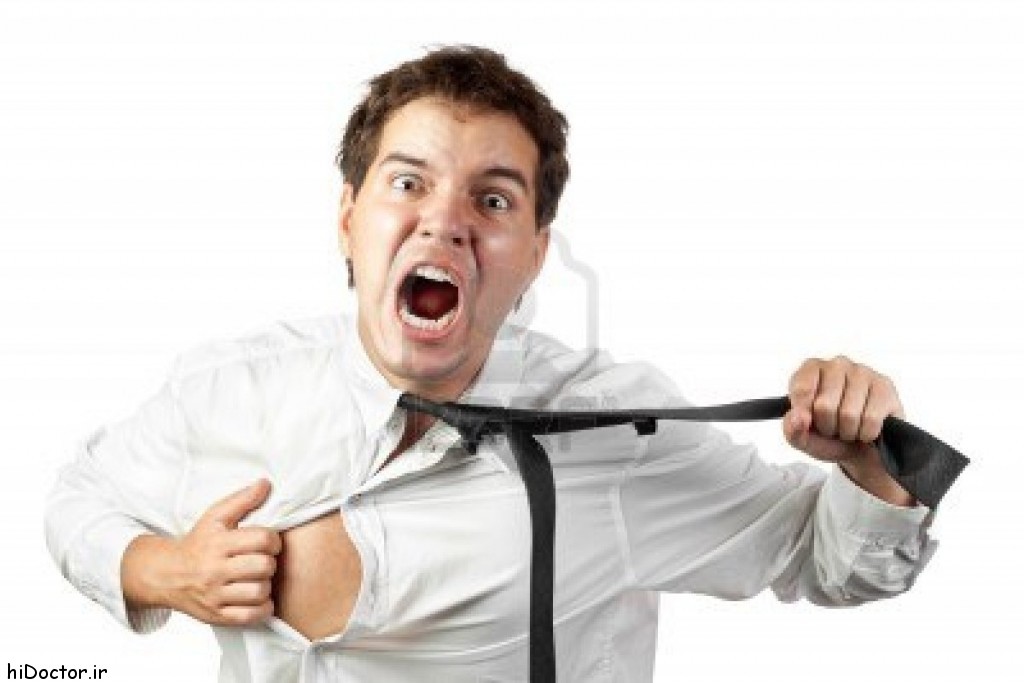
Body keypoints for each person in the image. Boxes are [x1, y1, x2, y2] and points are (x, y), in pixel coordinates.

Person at [45, 45, 936, 682]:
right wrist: (159, 569)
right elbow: (79, 499)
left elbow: (830, 558)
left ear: (536, 253)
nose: (445, 221)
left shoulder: (615, 431)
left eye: (494, 199)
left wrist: (871, 459)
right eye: (408, 182)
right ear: (349, 219)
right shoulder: (231, 388)